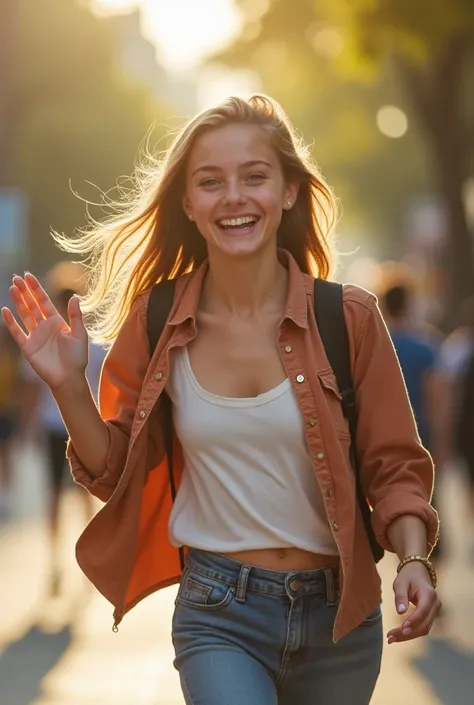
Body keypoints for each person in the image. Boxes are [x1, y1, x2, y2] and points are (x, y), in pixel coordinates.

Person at [1, 95, 440, 705]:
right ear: (188, 202)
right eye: (211, 182)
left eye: (254, 177)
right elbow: (113, 471)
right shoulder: (156, 320)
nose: (233, 196)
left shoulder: (349, 318)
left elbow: (396, 464)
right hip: (218, 611)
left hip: (341, 617)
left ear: (287, 191)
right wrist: (68, 386)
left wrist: (416, 559)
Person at [19, 286, 106, 596]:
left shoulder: (91, 343)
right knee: (60, 494)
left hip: (79, 426)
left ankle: (77, 560)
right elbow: (31, 388)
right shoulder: (47, 341)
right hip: (59, 427)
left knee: (71, 494)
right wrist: (28, 427)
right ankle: (58, 560)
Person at [381, 283, 444, 568]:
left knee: (392, 508)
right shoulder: (426, 346)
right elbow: (437, 401)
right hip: (423, 442)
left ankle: (402, 575)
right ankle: (428, 583)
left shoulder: (378, 342)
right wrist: (443, 446)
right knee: (430, 510)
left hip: (385, 445)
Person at [0, 323, 21, 519]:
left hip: (6, 412)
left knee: (6, 452)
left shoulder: (11, 358)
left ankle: (7, 494)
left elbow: (17, 386)